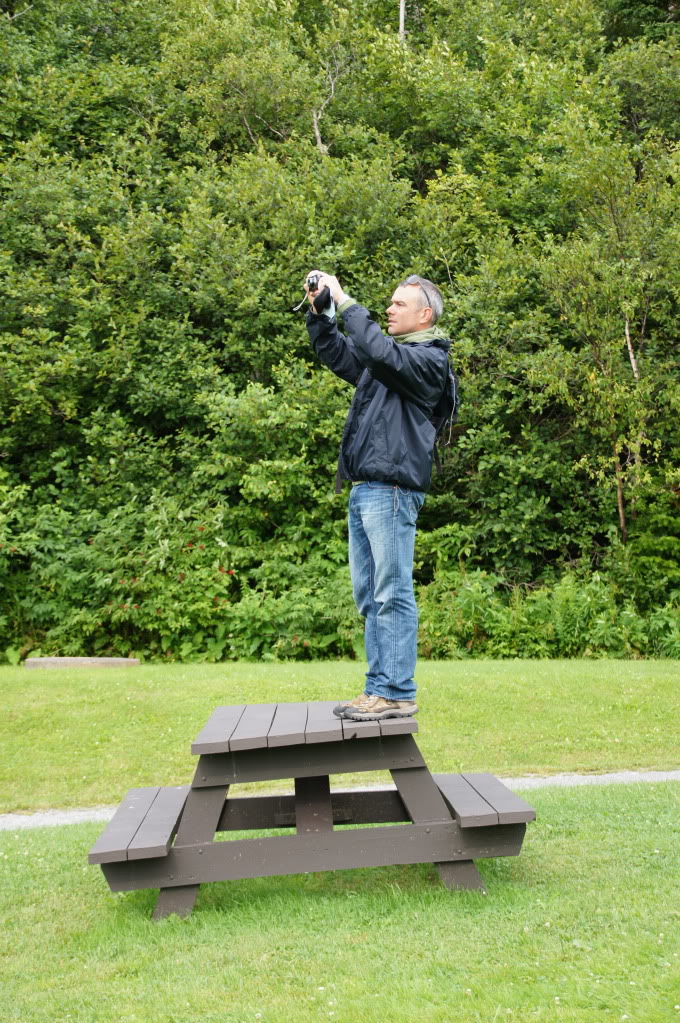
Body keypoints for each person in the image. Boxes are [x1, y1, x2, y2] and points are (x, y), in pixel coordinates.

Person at [305, 271, 451, 721]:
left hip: (390, 489)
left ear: (424, 314)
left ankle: (396, 692)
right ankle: (379, 691)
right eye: (387, 304)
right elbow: (343, 356)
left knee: (391, 592)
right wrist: (322, 315)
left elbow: (374, 349)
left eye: (397, 304)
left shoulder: (428, 361)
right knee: (369, 594)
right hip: (367, 487)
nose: (388, 309)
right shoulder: (391, 362)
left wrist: (347, 302)